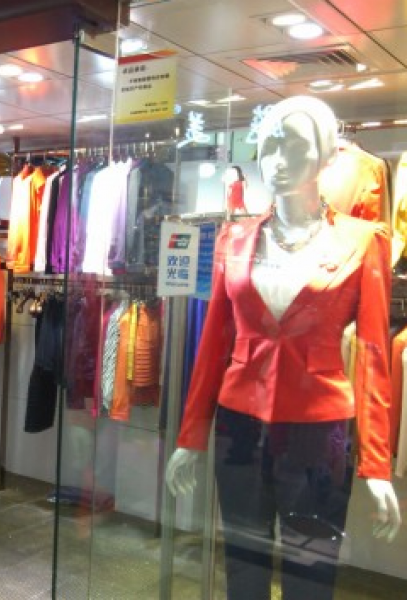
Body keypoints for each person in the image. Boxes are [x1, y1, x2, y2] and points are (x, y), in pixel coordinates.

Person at [164, 96, 400, 600]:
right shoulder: (234, 238)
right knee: (243, 566)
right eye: (268, 145)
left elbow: (374, 357)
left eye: (293, 144)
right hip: (239, 427)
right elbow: (213, 346)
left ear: (325, 155)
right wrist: (191, 436)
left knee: (309, 574)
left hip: (318, 432)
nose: (277, 159)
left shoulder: (363, 241)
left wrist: (377, 465)